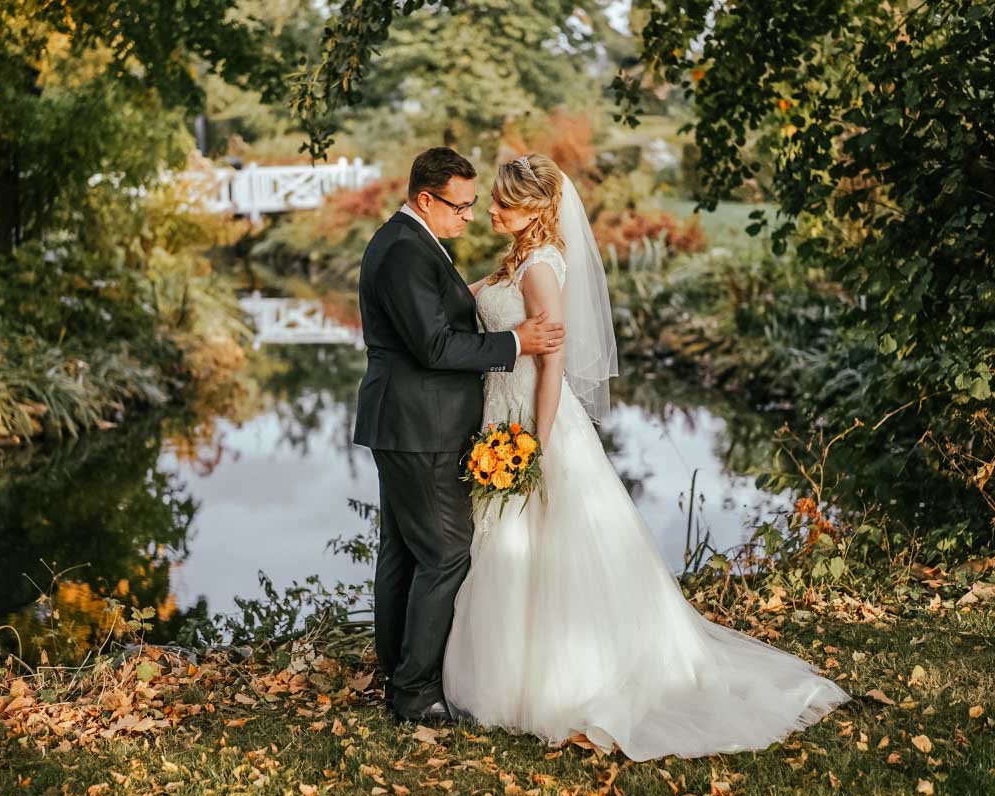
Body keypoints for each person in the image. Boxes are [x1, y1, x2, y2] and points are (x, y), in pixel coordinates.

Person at [441, 152, 851, 760]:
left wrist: (536, 444)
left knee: (543, 547)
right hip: (503, 413)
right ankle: (507, 676)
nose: (492, 211)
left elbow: (551, 366)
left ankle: (558, 682)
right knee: (508, 546)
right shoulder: (518, 264)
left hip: (533, 423)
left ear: (537, 209)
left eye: (503, 203)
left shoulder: (540, 272)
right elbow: (468, 303)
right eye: (492, 201)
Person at [353, 147, 565, 723]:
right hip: (420, 426)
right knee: (446, 554)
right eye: (462, 205)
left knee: (403, 551)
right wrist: (517, 341)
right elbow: (435, 346)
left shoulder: (416, 243)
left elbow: (448, 318)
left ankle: (398, 669)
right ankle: (416, 694)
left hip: (410, 422)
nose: (471, 215)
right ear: (427, 199)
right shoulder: (403, 251)